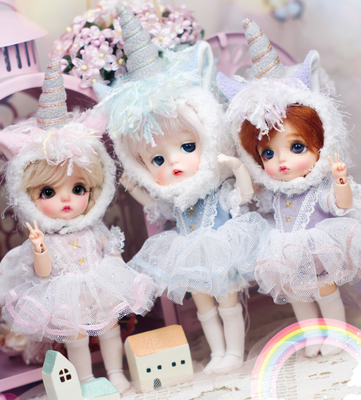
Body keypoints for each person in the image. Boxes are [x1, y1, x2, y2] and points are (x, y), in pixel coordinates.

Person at [95, 5, 268, 374]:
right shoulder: (171, 196)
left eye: (188, 147)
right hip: (187, 251)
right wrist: (136, 189)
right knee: (203, 305)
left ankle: (234, 352)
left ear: (208, 136)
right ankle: (217, 352)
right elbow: (156, 210)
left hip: (220, 246)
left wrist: (238, 169)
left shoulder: (213, 187)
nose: (173, 162)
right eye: (157, 160)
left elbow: (242, 198)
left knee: (228, 302)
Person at [217, 19, 361, 357]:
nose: (281, 161)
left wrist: (340, 181)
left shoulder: (317, 185)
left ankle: (336, 334)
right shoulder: (274, 191)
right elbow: (250, 197)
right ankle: (311, 336)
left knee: (325, 291)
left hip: (319, 246)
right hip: (285, 250)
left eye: (296, 147)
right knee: (296, 295)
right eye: (267, 153)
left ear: (320, 143)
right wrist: (238, 169)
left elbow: (341, 205)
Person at [0, 59, 156, 393]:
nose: (66, 199)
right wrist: (39, 249)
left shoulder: (94, 229)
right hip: (65, 293)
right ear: (28, 196)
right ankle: (86, 380)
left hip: (100, 285)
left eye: (78, 189)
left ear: (95, 189)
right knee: (76, 337)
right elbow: (44, 272)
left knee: (109, 328)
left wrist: (113, 265)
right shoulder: (46, 236)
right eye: (49, 192)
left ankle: (116, 372)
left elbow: (111, 251)